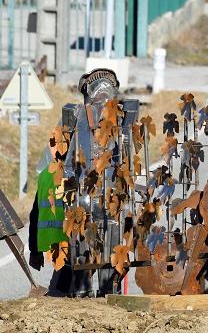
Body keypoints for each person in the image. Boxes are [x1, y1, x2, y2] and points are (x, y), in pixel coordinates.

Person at [28, 68, 124, 297]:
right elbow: (47, 173)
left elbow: (45, 173)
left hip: (87, 216)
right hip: (80, 215)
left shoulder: (114, 123)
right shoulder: (78, 122)